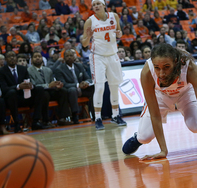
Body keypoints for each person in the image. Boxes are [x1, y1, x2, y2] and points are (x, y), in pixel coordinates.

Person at [122, 43, 197, 159]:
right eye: (157, 68)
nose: (161, 73)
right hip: (160, 96)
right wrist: (163, 150)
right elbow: (155, 116)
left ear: (175, 62)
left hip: (185, 93)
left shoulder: (190, 68)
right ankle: (137, 137)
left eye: (166, 67)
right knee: (144, 137)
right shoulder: (147, 72)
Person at [82, 0, 127, 130]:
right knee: (100, 87)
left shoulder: (114, 16)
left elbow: (119, 32)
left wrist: (119, 34)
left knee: (114, 86)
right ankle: (98, 118)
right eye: (94, 5)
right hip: (98, 56)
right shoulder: (90, 21)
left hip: (113, 55)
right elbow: (84, 44)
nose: (96, 6)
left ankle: (115, 116)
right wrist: (88, 37)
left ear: (103, 5)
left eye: (98, 4)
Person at [0, 51, 49, 133]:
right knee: (11, 93)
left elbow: (29, 81)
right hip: (11, 100)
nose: (12, 58)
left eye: (13, 56)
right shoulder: (1, 71)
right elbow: (4, 89)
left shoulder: (23, 69)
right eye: (9, 56)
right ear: (6, 59)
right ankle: (17, 124)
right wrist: (18, 87)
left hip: (24, 96)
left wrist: (30, 85)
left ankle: (36, 121)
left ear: (16, 58)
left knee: (40, 89)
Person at [28, 51, 73, 126]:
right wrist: (48, 85)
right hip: (37, 94)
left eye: (39, 56)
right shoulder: (29, 70)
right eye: (35, 57)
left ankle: (63, 118)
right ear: (31, 60)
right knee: (44, 94)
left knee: (63, 91)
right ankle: (45, 120)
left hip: (50, 91)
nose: (38, 58)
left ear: (42, 58)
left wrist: (57, 86)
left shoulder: (48, 70)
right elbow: (34, 85)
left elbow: (52, 82)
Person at [55, 49, 95, 124]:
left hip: (82, 89)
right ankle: (75, 115)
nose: (69, 57)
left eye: (71, 55)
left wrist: (85, 83)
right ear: (64, 58)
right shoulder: (59, 69)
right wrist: (77, 85)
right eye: (67, 56)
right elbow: (63, 83)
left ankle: (95, 113)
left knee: (93, 88)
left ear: (74, 57)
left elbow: (88, 78)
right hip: (69, 91)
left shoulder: (79, 66)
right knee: (72, 90)